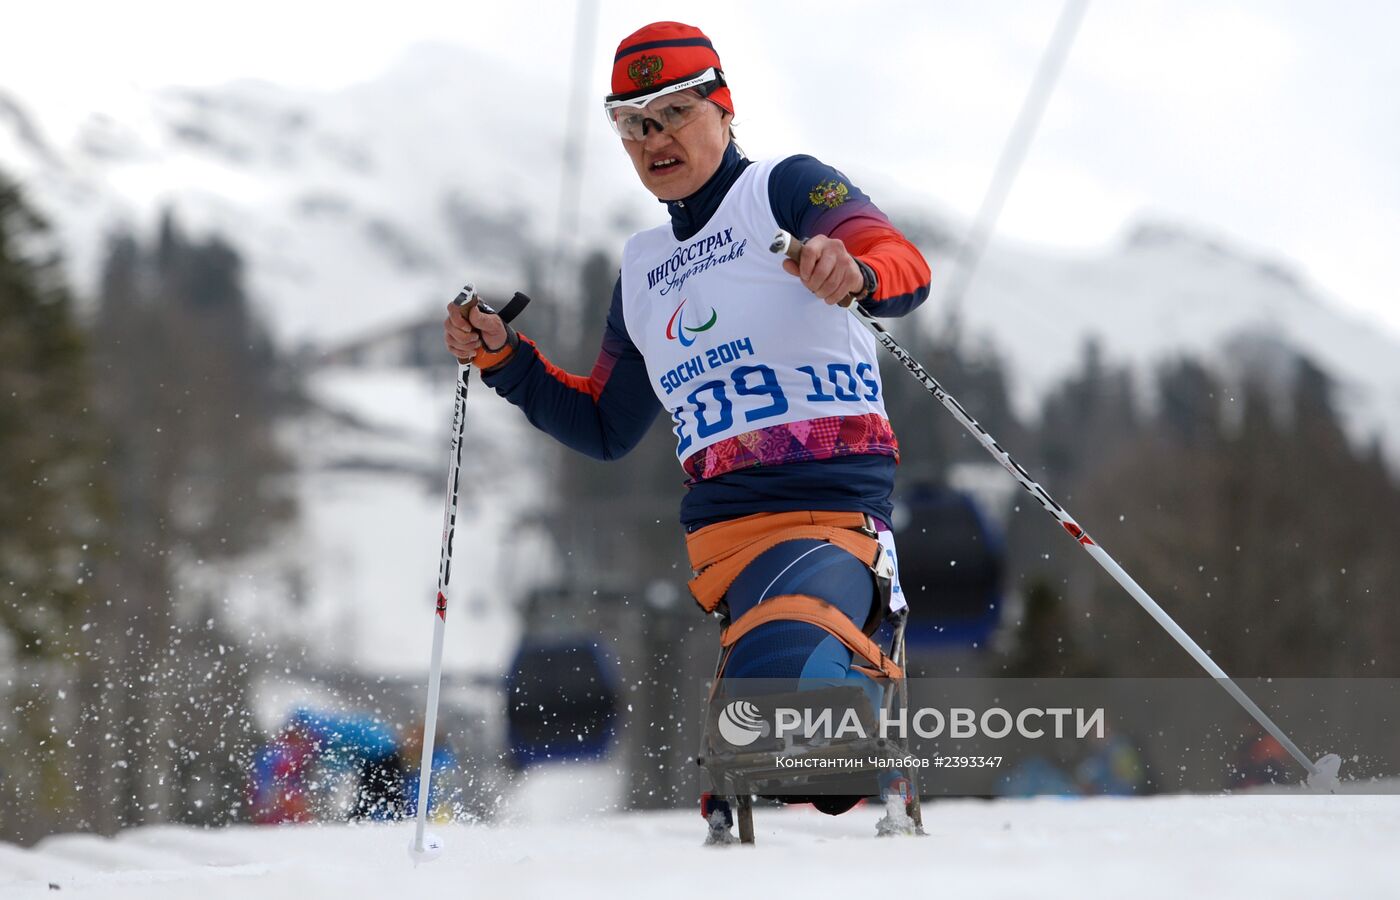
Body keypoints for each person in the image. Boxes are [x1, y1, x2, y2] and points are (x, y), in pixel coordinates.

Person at [443, 21, 931, 836]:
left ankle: (837, 706)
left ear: (724, 107)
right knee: (776, 719)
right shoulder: (640, 268)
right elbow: (603, 425)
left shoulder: (784, 187)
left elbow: (900, 261)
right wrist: (506, 359)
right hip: (724, 545)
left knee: (789, 713)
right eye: (631, 122)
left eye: (672, 112)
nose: (653, 138)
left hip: (830, 514)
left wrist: (859, 269)